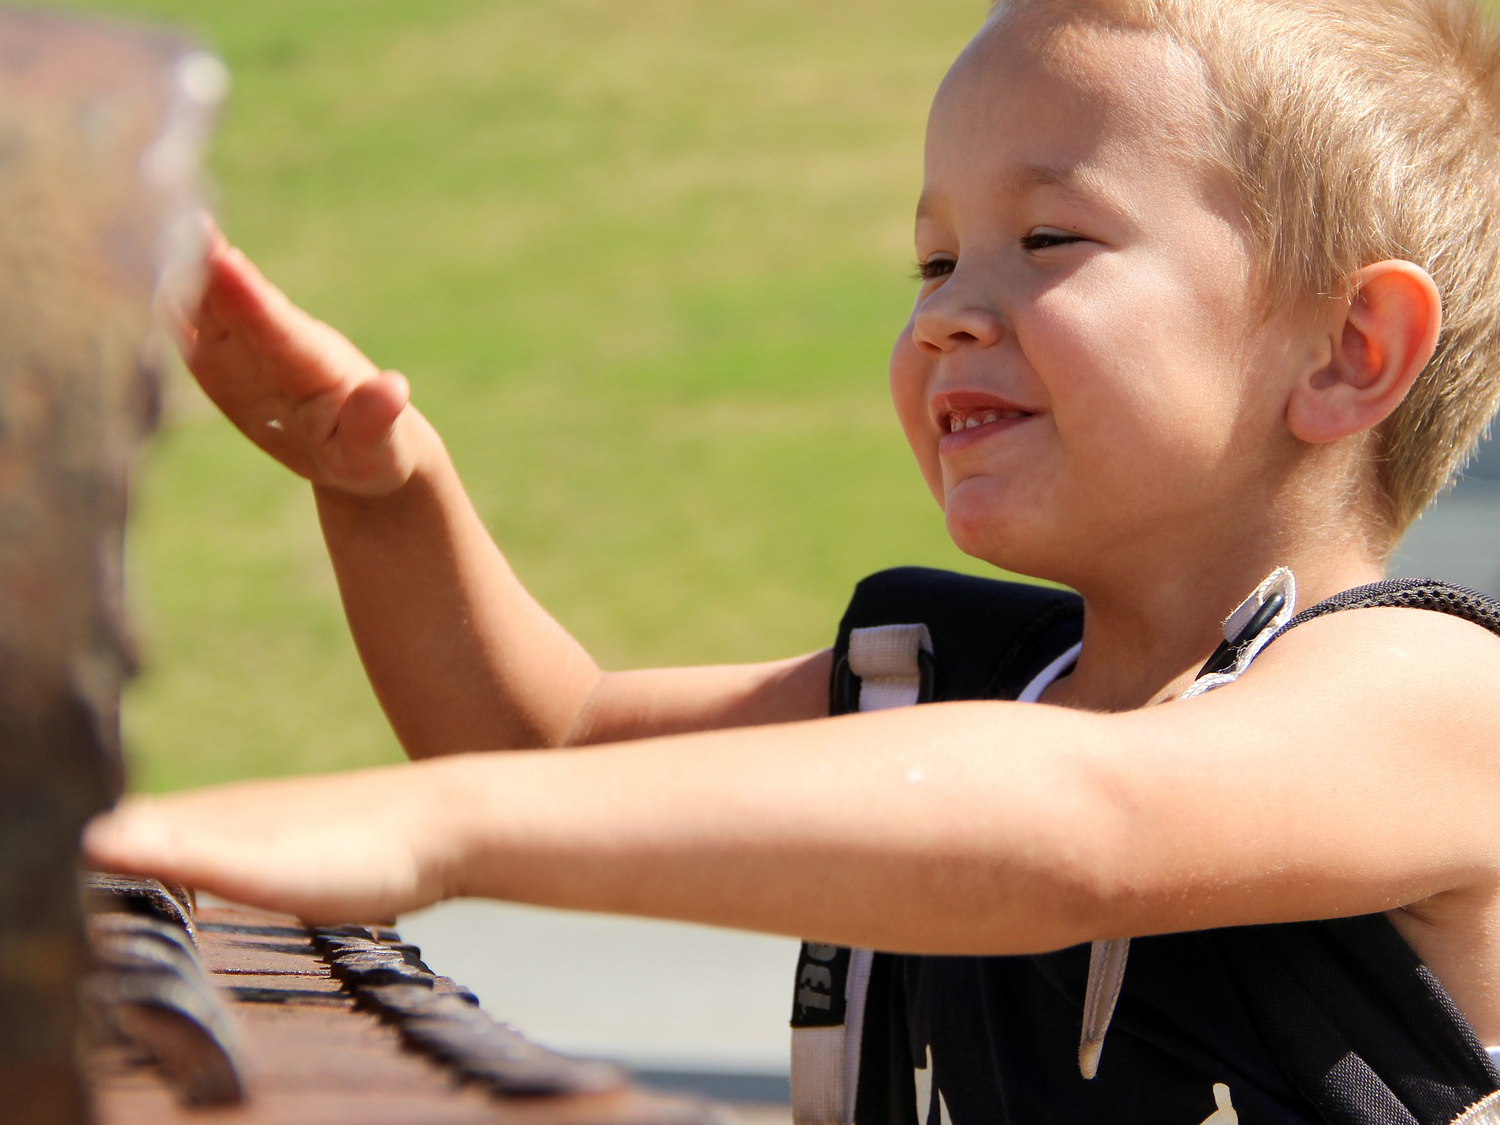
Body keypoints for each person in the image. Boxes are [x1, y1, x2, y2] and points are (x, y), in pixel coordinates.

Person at [84, 0, 1500, 1121]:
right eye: (932, 263)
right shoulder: (965, 690)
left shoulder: (1427, 696)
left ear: (1348, 350)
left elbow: (1087, 831)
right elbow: (548, 739)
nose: (950, 314)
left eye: (1048, 238)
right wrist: (386, 491)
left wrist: (432, 833)